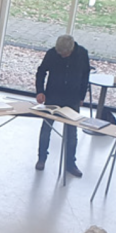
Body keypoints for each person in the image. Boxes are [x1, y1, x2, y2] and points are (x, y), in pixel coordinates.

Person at [34, 35, 91, 176]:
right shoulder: (52, 54)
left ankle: (70, 164)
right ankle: (41, 159)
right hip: (53, 96)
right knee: (46, 129)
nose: (62, 56)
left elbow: (85, 75)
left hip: (72, 98)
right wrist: (40, 91)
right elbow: (41, 72)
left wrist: (81, 97)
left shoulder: (82, 54)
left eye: (64, 53)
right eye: (60, 53)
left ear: (71, 49)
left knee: (72, 133)